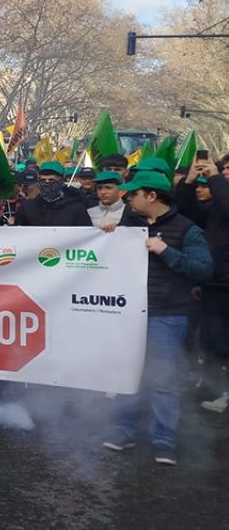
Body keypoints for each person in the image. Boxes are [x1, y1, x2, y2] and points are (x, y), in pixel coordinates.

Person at [103, 171, 213, 465]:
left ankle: (164, 440)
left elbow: (204, 270)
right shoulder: (129, 226)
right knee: (127, 374)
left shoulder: (187, 230)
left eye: (134, 193)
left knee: (163, 378)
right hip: (129, 314)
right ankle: (124, 431)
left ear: (151, 196)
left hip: (168, 315)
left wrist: (166, 251)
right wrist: (105, 237)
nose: (128, 198)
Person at [175, 158, 229, 417]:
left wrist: (216, 178)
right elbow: (183, 211)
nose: (225, 172)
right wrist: (188, 181)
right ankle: (214, 387)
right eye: (224, 168)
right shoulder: (216, 205)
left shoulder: (223, 198)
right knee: (212, 340)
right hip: (215, 282)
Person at [16, 161, 91, 227]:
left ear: (61, 180)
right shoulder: (28, 207)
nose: (47, 183)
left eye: (51, 180)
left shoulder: (76, 208)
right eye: (43, 180)